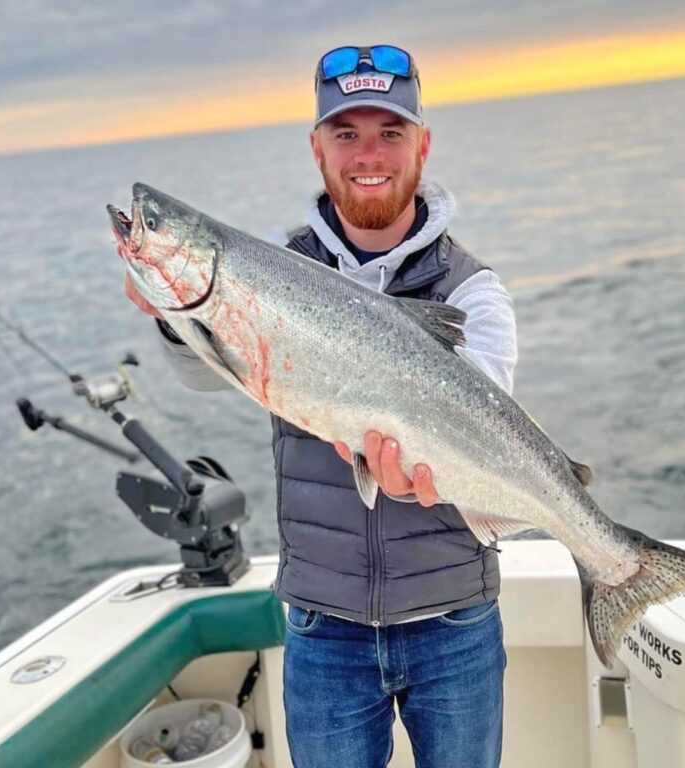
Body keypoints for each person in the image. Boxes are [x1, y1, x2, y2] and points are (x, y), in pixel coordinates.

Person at [125, 44, 518, 768]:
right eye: (346, 134)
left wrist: (434, 470)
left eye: (389, 133)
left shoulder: (473, 291)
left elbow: (485, 429)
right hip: (321, 625)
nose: (368, 154)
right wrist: (169, 310)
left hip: (456, 620)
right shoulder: (269, 266)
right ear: (318, 148)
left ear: (422, 144)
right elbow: (208, 372)